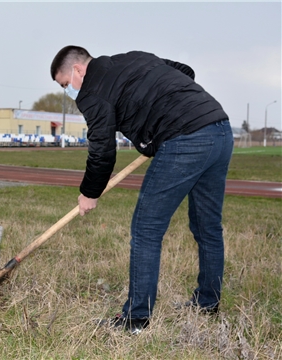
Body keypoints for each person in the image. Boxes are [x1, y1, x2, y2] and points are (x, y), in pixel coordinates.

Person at [51, 46, 233, 333]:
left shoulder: (91, 91)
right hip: (219, 128)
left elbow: (102, 149)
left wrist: (89, 193)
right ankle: (207, 304)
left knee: (146, 229)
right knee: (207, 226)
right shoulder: (136, 57)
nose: (69, 92)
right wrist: (157, 127)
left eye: (65, 85)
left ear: (77, 70)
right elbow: (186, 72)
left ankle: (136, 319)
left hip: (186, 140)